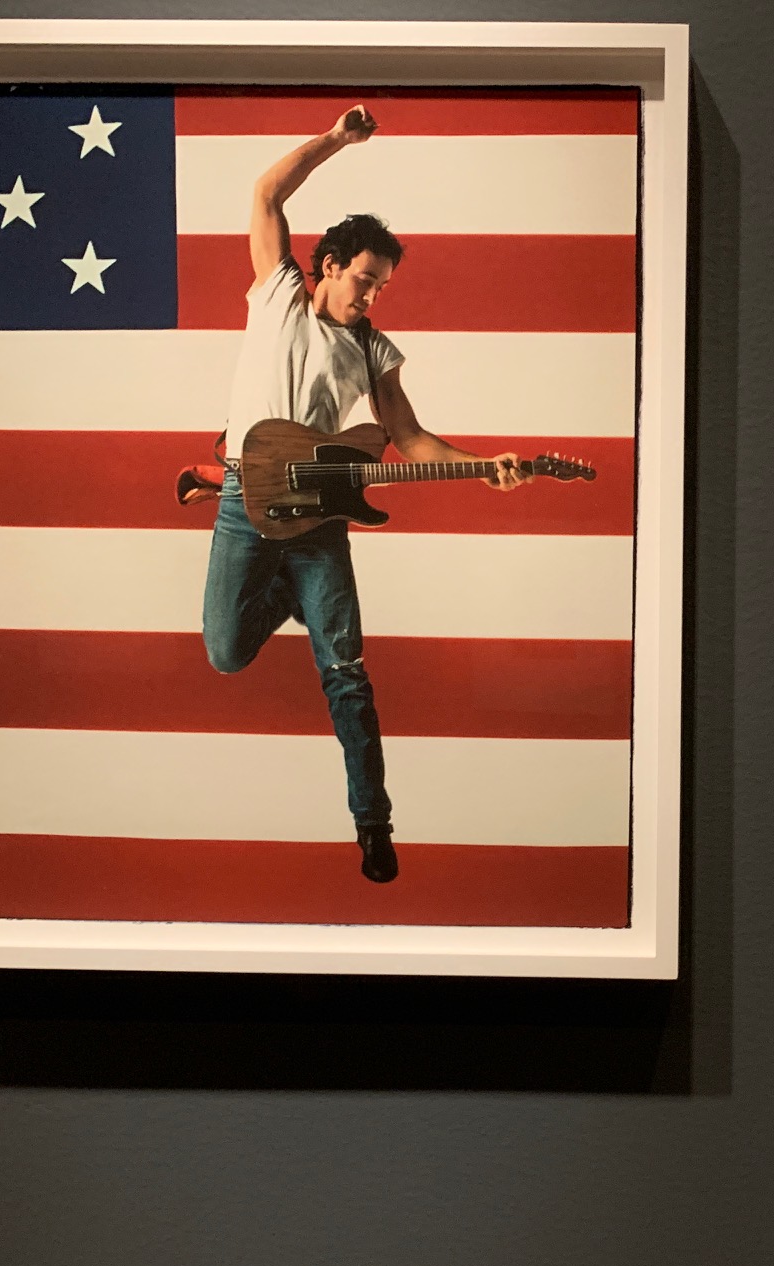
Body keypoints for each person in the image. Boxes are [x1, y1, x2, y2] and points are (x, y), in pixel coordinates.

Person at [201, 105, 529, 884]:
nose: (373, 296)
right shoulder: (278, 292)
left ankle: (373, 824)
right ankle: (285, 593)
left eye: (383, 287)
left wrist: (486, 464)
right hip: (246, 502)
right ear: (332, 264)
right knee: (224, 652)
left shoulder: (373, 345)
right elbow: (266, 195)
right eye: (366, 280)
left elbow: (410, 439)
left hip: (315, 514)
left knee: (344, 669)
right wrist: (337, 141)